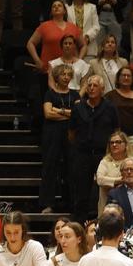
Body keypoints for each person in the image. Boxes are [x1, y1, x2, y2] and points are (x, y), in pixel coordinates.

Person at [73, 74, 118, 217]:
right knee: (81, 190)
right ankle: (79, 222)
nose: (91, 88)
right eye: (89, 85)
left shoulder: (110, 108)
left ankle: (101, 221)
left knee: (102, 190)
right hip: (82, 153)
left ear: (102, 89)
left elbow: (116, 131)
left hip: (103, 154)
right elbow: (71, 132)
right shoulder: (78, 107)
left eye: (95, 85)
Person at [40, 64, 80, 214]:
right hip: (52, 134)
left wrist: (58, 110)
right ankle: (47, 203)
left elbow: (78, 114)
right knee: (50, 167)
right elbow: (48, 114)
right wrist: (67, 113)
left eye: (68, 75)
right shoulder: (49, 94)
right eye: (63, 74)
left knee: (71, 168)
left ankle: (71, 203)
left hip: (71, 134)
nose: (66, 77)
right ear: (57, 76)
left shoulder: (75, 94)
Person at [25, 0, 83, 74]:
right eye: (54, 6)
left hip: (69, 71)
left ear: (64, 11)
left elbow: (83, 45)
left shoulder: (73, 27)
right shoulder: (44, 26)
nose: (56, 7)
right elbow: (30, 43)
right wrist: (37, 61)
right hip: (48, 70)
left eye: (59, 6)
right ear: (51, 12)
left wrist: (79, 61)